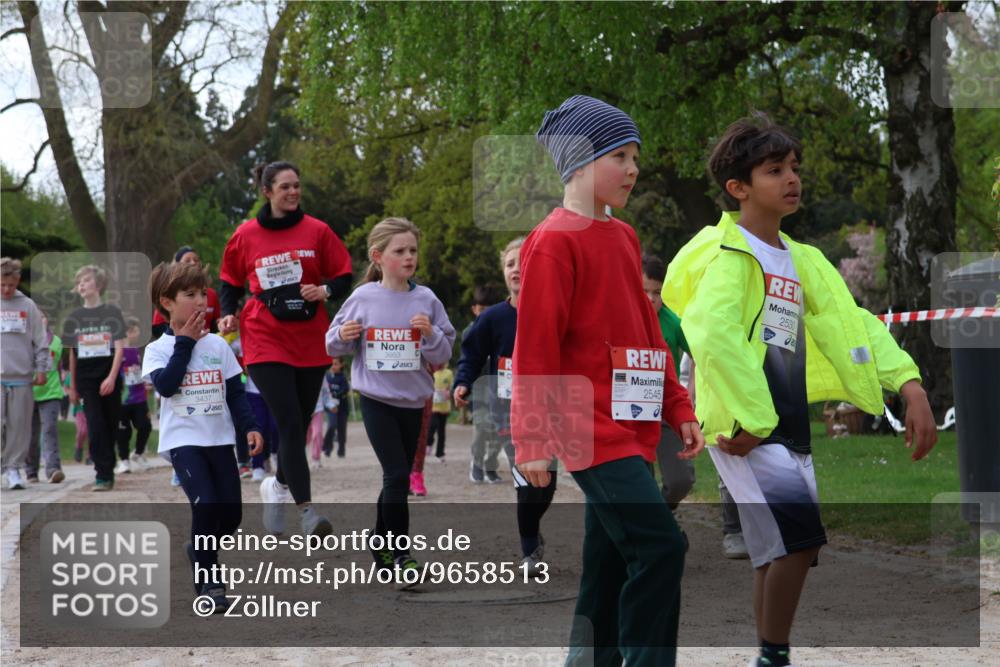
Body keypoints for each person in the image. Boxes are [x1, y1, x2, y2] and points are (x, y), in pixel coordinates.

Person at [663, 113, 938, 667]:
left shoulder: (804, 259)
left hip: (788, 425)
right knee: (801, 538)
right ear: (738, 188)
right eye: (773, 170)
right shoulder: (727, 256)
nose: (791, 178)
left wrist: (911, 386)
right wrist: (747, 420)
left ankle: (769, 655)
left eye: (793, 167)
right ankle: (775, 654)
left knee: (776, 551)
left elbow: (854, 324)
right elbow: (713, 337)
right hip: (747, 430)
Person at [512, 95, 704, 666]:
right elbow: (535, 349)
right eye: (619, 154)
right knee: (661, 546)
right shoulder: (552, 242)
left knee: (609, 563)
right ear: (577, 162)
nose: (633, 168)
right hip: (586, 426)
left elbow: (650, 331)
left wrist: (678, 407)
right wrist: (533, 441)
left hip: (634, 420)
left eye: (635, 156)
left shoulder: (623, 236)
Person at [218, 161, 353, 537]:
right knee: (291, 422)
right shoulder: (246, 234)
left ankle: (275, 486)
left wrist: (323, 290)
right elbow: (229, 280)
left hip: (310, 336)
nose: (293, 192)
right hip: (264, 335)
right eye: (285, 187)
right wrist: (228, 313)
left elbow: (343, 273)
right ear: (267, 191)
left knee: (299, 424)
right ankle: (308, 512)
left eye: (297, 186)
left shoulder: (318, 231)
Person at [326, 217, 456, 586]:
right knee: (397, 474)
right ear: (378, 256)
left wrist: (429, 335)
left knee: (394, 478)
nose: (409, 257)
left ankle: (379, 542)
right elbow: (333, 342)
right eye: (400, 251)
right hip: (376, 399)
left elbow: (443, 351)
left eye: (413, 250)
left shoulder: (427, 299)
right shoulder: (363, 297)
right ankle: (402, 556)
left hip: (413, 402)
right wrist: (344, 335)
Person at [143, 261, 262, 613]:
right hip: (183, 442)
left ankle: (199, 545)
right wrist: (184, 344)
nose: (200, 301)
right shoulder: (158, 349)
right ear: (166, 302)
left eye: (202, 294)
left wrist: (251, 427)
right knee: (206, 505)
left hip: (220, 440)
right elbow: (166, 385)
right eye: (189, 295)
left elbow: (236, 393)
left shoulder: (218, 346)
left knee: (230, 515)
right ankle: (209, 581)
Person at [454, 236, 553, 576]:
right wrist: (463, 382)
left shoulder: (554, 310)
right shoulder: (493, 317)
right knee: (526, 480)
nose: (517, 269)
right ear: (503, 272)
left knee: (547, 483)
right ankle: (530, 550)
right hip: (509, 411)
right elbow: (471, 353)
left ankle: (532, 526)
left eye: (524, 261)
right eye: (511, 263)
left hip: (552, 408)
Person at [62, 264, 126, 491]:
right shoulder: (75, 317)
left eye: (86, 280)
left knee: (110, 426)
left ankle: (109, 463)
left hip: (109, 378)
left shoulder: (112, 313)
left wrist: (111, 377)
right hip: (86, 381)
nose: (81, 284)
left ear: (98, 285)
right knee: (95, 426)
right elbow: (72, 353)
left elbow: (119, 349)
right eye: (79, 281)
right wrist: (71, 386)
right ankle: (103, 474)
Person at [640, 253, 696, 510]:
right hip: (631, 415)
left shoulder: (672, 322)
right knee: (641, 483)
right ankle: (654, 529)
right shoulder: (619, 319)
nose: (651, 299)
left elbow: (699, 354)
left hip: (666, 413)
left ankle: (661, 515)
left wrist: (692, 391)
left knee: (681, 480)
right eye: (644, 291)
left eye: (657, 292)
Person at [1, 258, 50, 490]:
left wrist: (42, 368)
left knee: (19, 426)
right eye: (1, 285)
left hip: (21, 376)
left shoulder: (28, 305)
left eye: (10, 285)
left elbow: (40, 340)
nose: (6, 289)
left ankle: (13, 468)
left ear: (17, 281)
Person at [462, 285, 505, 483]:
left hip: (501, 388)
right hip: (479, 389)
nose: (486, 313)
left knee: (499, 430)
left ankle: (490, 465)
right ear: (474, 309)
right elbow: (468, 362)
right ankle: (476, 463)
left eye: (490, 308)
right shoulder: (470, 332)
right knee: (481, 427)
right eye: (482, 308)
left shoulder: (504, 330)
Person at [27, 314, 65, 484]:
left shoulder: (57, 341)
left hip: (51, 393)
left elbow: (59, 367)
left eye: (42, 317)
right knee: (31, 434)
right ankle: (31, 471)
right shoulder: (24, 340)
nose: (40, 320)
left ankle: (53, 469)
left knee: (49, 429)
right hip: (28, 393)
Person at [151, 246, 220, 339]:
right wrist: (181, 337)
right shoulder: (157, 350)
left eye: (196, 260)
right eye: (190, 294)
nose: (193, 263)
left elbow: (215, 323)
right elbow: (157, 327)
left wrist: (223, 324)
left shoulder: (218, 344)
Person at [115, 316, 152, 473]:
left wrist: (145, 383)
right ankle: (123, 461)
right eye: (136, 330)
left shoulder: (136, 350)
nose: (138, 333)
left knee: (145, 426)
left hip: (139, 397)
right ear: (128, 332)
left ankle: (137, 453)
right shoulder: (117, 351)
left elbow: (137, 371)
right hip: (123, 399)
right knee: (124, 431)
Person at [322, 356, 350, 458]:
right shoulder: (328, 377)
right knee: (332, 425)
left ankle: (341, 449)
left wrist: (337, 393)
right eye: (332, 364)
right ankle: (327, 447)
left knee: (341, 429)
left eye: (336, 364)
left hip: (342, 407)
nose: (333, 366)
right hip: (331, 407)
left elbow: (345, 389)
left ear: (341, 365)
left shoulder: (343, 377)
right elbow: (325, 392)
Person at [428, 363, 453, 461]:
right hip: (433, 407)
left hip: (444, 407)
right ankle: (429, 443)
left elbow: (452, 386)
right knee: (432, 427)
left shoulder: (449, 373)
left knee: (441, 431)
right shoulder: (432, 372)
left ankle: (440, 453)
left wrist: (449, 392)